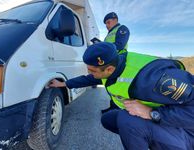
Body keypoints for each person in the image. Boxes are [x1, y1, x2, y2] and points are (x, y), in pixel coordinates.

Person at [49, 42, 194, 149]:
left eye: (92, 70)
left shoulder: (156, 79)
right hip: (165, 122)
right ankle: (150, 139)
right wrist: (64, 84)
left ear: (109, 69)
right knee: (108, 119)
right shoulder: (113, 66)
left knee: (127, 120)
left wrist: (151, 113)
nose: (90, 73)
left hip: (184, 132)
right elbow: (91, 78)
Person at [101, 12, 130, 113]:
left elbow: (120, 44)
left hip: (119, 59)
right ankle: (113, 107)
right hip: (110, 60)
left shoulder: (122, 28)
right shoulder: (108, 34)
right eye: (106, 24)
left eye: (108, 22)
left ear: (115, 20)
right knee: (110, 85)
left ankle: (119, 109)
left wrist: (103, 48)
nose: (107, 26)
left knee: (116, 85)